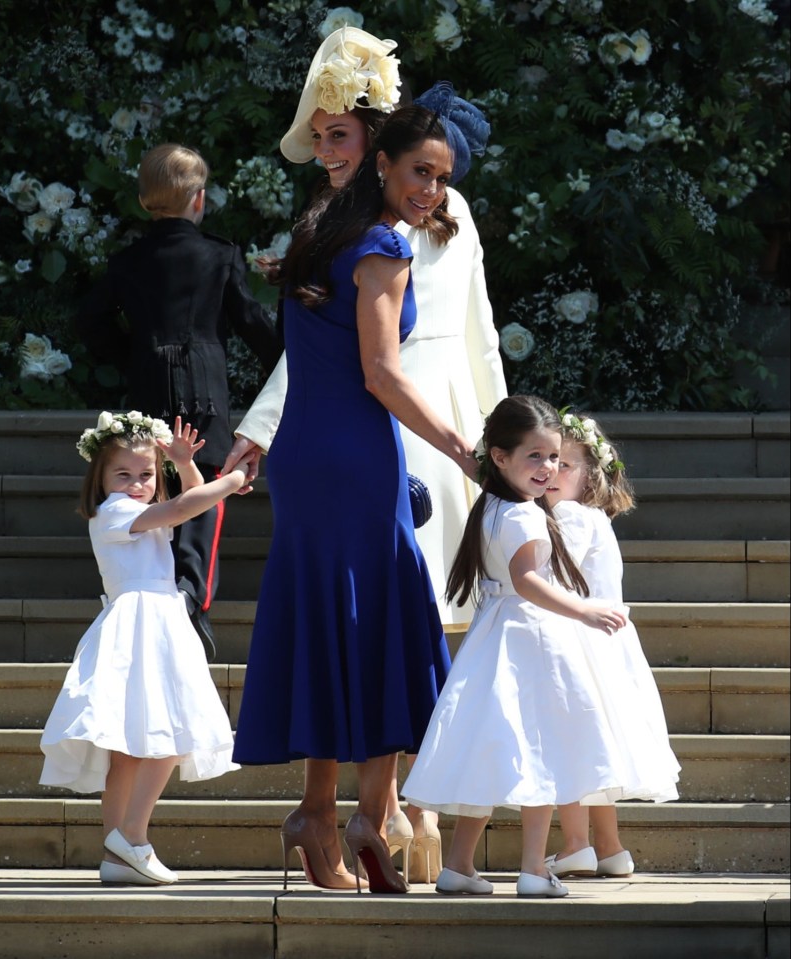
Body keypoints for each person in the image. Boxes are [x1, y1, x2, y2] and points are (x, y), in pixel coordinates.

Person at [224, 27, 506, 883]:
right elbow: (383, 373)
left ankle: (327, 813)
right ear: (385, 162)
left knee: (331, 619)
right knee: (383, 622)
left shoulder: (318, 227)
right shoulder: (381, 245)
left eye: (441, 176)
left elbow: (330, 355)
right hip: (361, 445)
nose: (432, 189)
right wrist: (467, 449)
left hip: (314, 451)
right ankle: (364, 821)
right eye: (421, 171)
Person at [402, 395, 638, 898]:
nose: (548, 468)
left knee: (490, 750)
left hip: (494, 637)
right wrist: (586, 609)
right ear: (500, 456)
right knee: (541, 750)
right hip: (533, 637)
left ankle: (460, 864)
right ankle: (534, 868)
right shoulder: (526, 515)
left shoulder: (491, 504)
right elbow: (527, 579)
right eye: (535, 456)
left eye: (554, 457)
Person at [76, 143, 282, 662]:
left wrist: (130, 356)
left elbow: (90, 322)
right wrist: (288, 362)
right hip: (205, 390)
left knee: (155, 489)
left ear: (147, 200)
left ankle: (167, 591)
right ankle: (191, 595)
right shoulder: (219, 253)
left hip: (148, 389)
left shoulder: (127, 260)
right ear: (199, 198)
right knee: (204, 495)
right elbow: (252, 323)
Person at [39, 411, 254, 886]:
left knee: (132, 752)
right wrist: (234, 478)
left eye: (146, 475)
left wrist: (183, 464)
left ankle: (118, 856)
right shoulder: (115, 512)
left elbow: (190, 504)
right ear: (102, 478)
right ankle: (132, 835)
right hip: (142, 622)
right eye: (124, 474)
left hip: (155, 620)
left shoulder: (141, 511)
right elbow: (182, 509)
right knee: (170, 732)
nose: (136, 484)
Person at [541, 410, 680, 878]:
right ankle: (610, 847)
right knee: (596, 749)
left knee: (571, 744)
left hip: (580, 643)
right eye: (551, 460)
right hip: (606, 645)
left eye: (567, 465)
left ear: (590, 475)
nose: (553, 472)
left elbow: (551, 576)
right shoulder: (594, 516)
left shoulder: (568, 515)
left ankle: (577, 843)